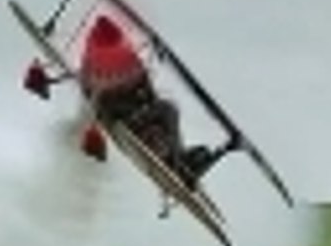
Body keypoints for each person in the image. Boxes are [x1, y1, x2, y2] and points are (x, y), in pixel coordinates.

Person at [73, 14, 221, 187]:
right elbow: (94, 95)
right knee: (167, 110)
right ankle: (176, 160)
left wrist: (144, 94)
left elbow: (145, 86)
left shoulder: (123, 56)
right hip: (118, 118)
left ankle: (175, 157)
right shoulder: (94, 61)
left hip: (134, 113)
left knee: (161, 115)